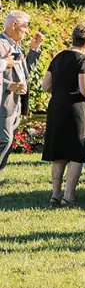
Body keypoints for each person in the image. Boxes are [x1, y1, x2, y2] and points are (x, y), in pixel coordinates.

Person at [41, 22, 85, 205]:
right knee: (76, 152)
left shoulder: (58, 57)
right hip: (75, 108)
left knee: (59, 153)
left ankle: (55, 194)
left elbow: (46, 85)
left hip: (56, 106)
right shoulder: (83, 60)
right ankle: (69, 195)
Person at [1, 10, 44, 177]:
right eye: (25, 26)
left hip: (15, 104)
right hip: (3, 103)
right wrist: (8, 85)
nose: (27, 30)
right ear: (13, 25)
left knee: (8, 142)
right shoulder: (1, 43)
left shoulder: (15, 45)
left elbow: (24, 73)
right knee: (4, 141)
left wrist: (34, 50)